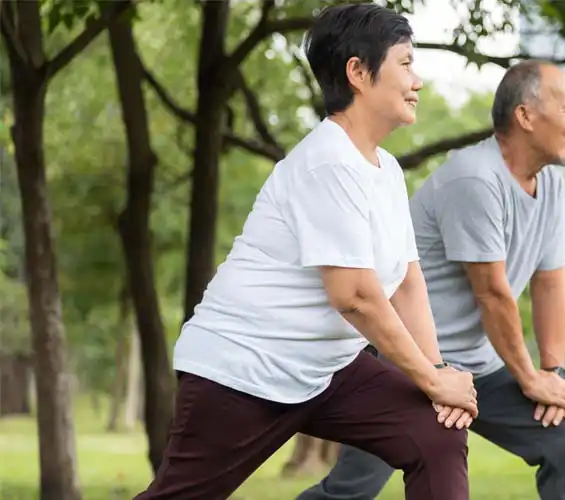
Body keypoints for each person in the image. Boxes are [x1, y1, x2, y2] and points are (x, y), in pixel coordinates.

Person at [133, 4, 478, 499]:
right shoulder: (327, 162)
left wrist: (437, 376)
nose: (417, 79)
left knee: (435, 431)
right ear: (358, 72)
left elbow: (406, 281)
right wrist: (432, 379)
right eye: (405, 63)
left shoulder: (385, 172)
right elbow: (355, 296)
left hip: (328, 370)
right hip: (245, 366)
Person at [298, 60, 565, 500]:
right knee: (353, 490)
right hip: (409, 362)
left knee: (563, 438)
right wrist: (530, 379)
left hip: (478, 369)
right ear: (526, 116)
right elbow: (493, 295)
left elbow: (550, 280)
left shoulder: (549, 182)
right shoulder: (476, 179)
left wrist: (553, 372)